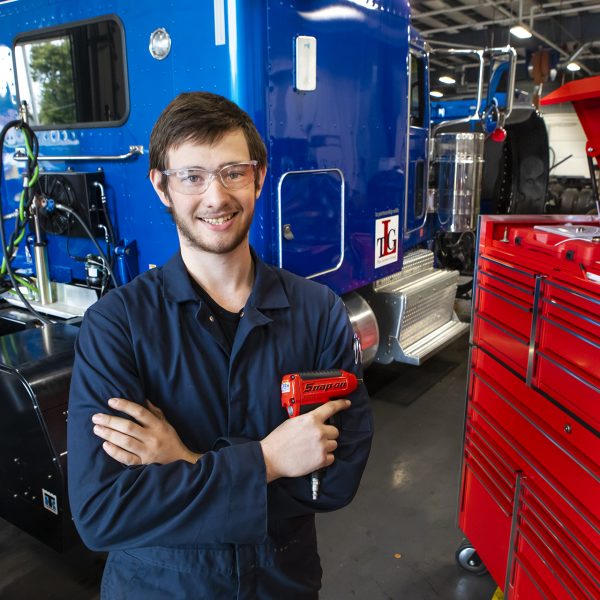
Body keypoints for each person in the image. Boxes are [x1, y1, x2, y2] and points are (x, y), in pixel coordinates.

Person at [67, 91, 373, 600]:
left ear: (259, 175)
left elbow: (337, 480)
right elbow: (104, 512)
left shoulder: (319, 312)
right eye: (192, 176)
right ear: (161, 187)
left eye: (232, 171)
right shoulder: (115, 326)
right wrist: (270, 461)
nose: (215, 197)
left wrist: (182, 463)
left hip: (282, 585)